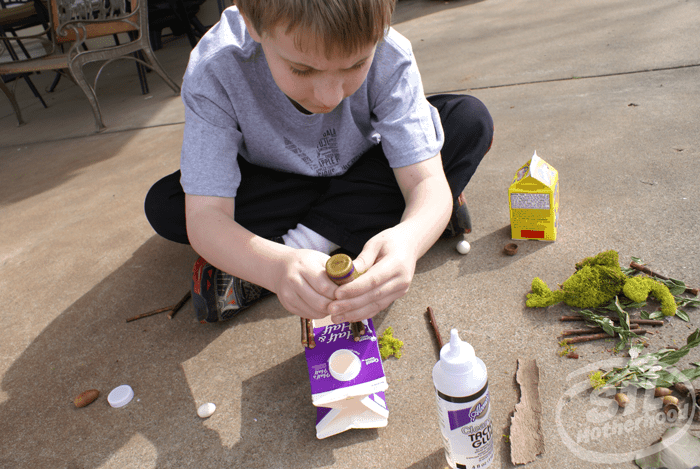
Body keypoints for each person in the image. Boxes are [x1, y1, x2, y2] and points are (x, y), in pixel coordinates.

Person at [144, 0, 493, 325]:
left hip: (367, 164)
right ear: (252, 23)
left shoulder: (390, 53)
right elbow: (205, 217)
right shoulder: (217, 67)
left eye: (356, 64)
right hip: (283, 181)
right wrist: (279, 270)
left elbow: (423, 182)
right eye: (301, 70)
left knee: (467, 121)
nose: (330, 96)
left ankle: (304, 242)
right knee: (169, 206)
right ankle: (373, 216)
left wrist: (410, 241)